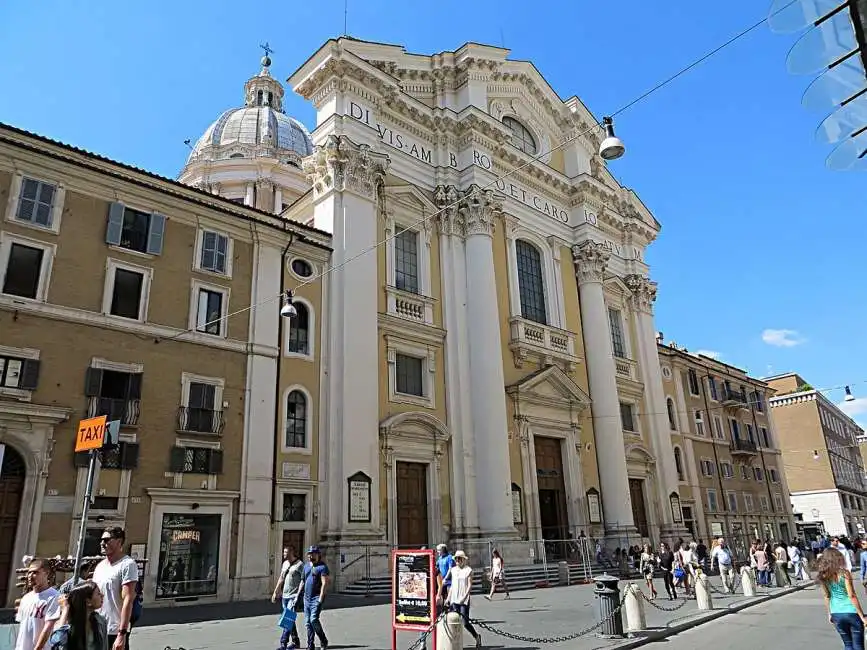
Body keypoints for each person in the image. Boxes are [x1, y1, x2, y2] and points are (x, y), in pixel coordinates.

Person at [91, 527, 138, 650]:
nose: (102, 543)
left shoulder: (127, 564)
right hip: (96, 627)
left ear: (119, 541)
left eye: (106, 540)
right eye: (101, 540)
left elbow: (128, 599)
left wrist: (122, 634)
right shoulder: (100, 566)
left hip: (114, 630)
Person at [817, 547, 867, 650]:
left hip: (836, 613)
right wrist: (862, 616)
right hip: (851, 611)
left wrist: (829, 613)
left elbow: (827, 596)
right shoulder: (844, 573)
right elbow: (851, 595)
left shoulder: (823, 575)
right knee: (858, 645)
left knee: (848, 644)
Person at [15, 558, 61, 650]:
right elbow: (22, 628)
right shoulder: (26, 598)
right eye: (29, 572)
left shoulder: (54, 596)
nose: (31, 576)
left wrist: (37, 648)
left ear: (46, 573)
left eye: (35, 572)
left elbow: (48, 627)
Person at [438, 550, 481, 648]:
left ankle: (476, 636)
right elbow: (453, 585)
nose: (457, 560)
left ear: (463, 560)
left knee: (465, 623)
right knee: (453, 621)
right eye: (456, 559)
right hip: (454, 599)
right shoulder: (453, 570)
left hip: (463, 599)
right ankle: (455, 642)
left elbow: (469, 585)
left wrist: (465, 597)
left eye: (459, 558)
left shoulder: (468, 570)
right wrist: (448, 599)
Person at [50, 581, 108, 650]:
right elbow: (56, 641)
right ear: (88, 601)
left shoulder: (100, 621)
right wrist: (65, 609)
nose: (102, 595)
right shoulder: (68, 625)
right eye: (98, 593)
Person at [272, 547, 304, 650]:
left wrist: (299, 595)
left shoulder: (300, 565)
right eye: (283, 552)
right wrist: (275, 592)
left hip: (293, 596)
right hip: (285, 596)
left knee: (287, 619)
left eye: (286, 552)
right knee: (290, 620)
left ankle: (283, 643)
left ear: (291, 552)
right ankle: (296, 641)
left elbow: (303, 581)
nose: (284, 554)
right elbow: (281, 578)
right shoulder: (285, 564)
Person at [302, 546, 329, 650]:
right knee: (308, 623)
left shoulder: (322, 567)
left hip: (316, 598)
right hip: (306, 598)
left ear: (318, 555)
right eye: (309, 554)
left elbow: (324, 583)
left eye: (313, 554)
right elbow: (302, 581)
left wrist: (320, 599)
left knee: (313, 620)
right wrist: (298, 595)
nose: (311, 556)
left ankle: (323, 640)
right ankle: (310, 645)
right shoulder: (306, 566)